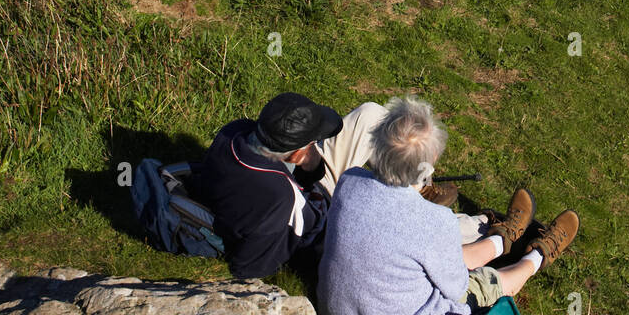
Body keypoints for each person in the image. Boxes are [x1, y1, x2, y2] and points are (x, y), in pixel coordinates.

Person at [317, 96, 580, 315]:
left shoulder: (349, 181)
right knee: (484, 284)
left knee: (439, 256)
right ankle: (538, 256)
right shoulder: (434, 220)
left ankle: (503, 239)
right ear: (427, 166)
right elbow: (456, 288)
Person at [197, 93, 487, 279]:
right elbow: (251, 268)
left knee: (371, 115)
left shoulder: (234, 132)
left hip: (306, 183)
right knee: (433, 227)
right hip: (329, 218)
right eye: (314, 142)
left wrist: (310, 165)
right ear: (297, 153)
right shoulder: (279, 199)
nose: (319, 143)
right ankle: (491, 229)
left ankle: (416, 185)